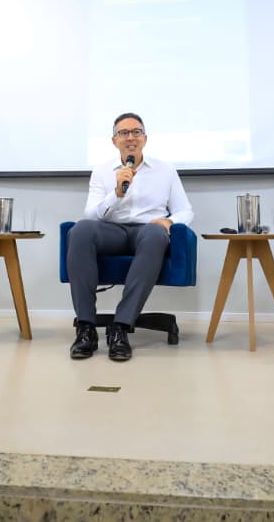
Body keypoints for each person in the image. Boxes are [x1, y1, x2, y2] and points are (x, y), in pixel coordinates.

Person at [66, 112, 193, 362]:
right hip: (111, 231)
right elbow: (91, 214)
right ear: (115, 141)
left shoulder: (165, 170)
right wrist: (116, 192)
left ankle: (121, 327)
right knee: (79, 229)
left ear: (145, 138)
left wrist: (169, 221)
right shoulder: (102, 171)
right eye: (124, 133)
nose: (131, 138)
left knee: (156, 234)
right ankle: (86, 328)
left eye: (136, 132)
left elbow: (185, 210)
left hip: (147, 231)